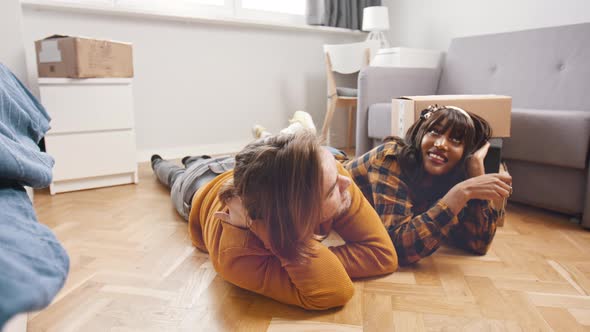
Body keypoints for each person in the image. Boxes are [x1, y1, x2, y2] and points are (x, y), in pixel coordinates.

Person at [151, 128, 397, 310]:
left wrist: (293, 255)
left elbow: (382, 255)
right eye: (332, 190)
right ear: (290, 217)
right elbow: (334, 291)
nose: (347, 183)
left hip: (245, 171)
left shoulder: (325, 173)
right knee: (175, 174)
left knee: (200, 159)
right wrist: (288, 243)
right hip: (198, 186)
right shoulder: (236, 254)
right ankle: (161, 162)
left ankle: (194, 158)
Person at [344, 105, 512, 265]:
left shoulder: (455, 174)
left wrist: (476, 174)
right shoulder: (391, 158)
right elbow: (397, 249)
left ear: (466, 154)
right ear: (420, 135)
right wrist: (460, 193)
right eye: (434, 132)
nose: (440, 144)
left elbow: (479, 244)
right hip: (329, 171)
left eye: (455, 140)